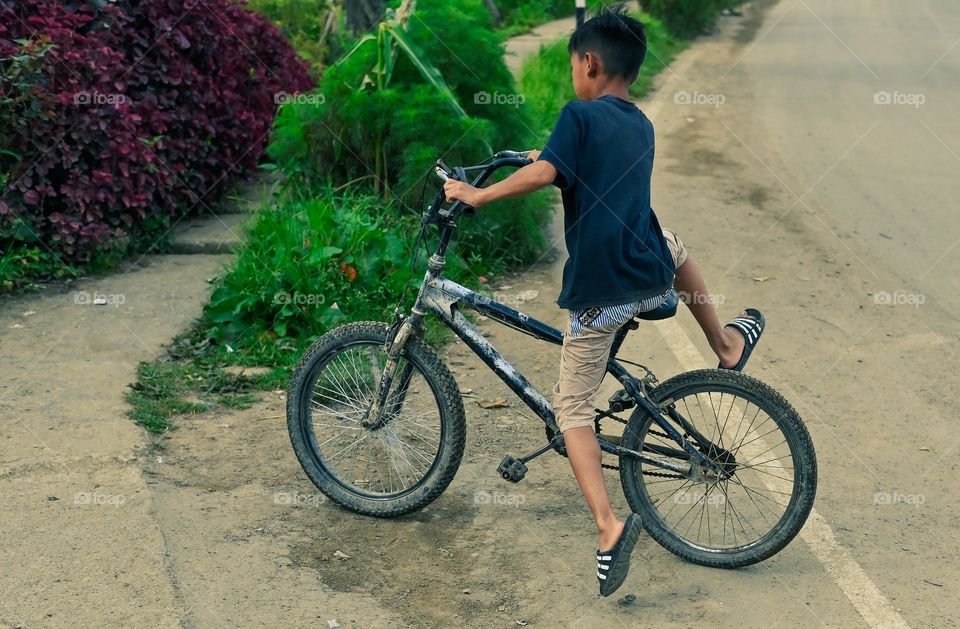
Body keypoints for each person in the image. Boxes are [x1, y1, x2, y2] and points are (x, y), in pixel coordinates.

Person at [443, 4, 765, 597]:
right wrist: (539, 161)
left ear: (589, 63)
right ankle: (724, 342)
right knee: (674, 243)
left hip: (604, 291)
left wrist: (476, 195)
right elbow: (569, 169)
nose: (573, 77)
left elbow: (545, 174)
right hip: (647, 268)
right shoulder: (638, 123)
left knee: (572, 411)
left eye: (573, 67)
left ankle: (609, 526)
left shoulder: (578, 116)